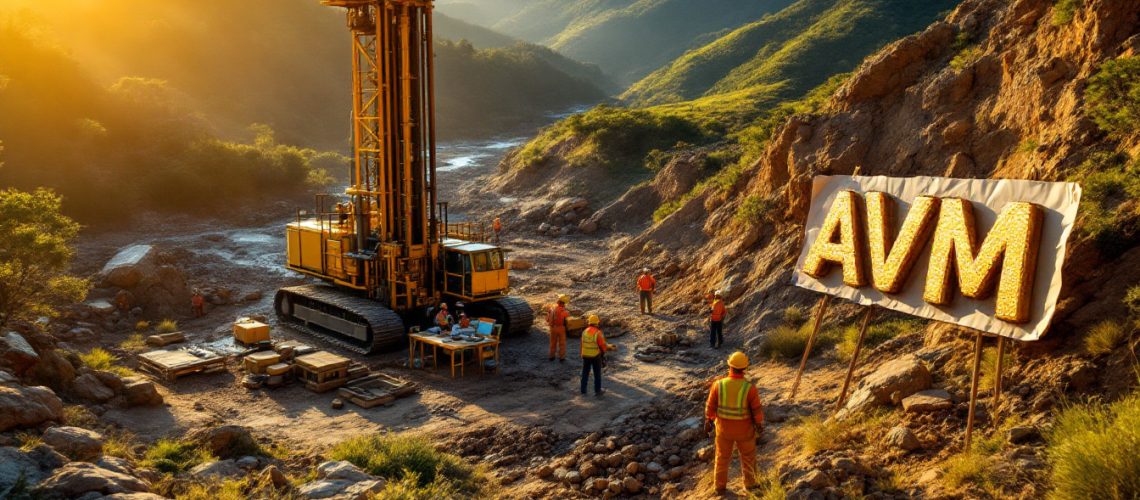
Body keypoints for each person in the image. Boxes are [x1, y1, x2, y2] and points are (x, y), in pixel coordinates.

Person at [705, 351, 764, 494]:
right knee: (748, 457)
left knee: (722, 457)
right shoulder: (749, 388)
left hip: (724, 430)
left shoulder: (718, 385)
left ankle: (719, 487)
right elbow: (756, 410)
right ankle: (750, 485)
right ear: (745, 369)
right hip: (745, 431)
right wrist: (759, 424)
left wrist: (709, 420)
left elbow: (710, 407)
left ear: (729, 366)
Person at [580, 314, 617, 396]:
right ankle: (597, 391)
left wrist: (582, 354)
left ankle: (583, 390)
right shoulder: (597, 332)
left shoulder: (584, 332)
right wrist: (606, 350)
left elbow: (582, 344)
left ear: (589, 322)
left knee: (585, 373)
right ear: (597, 323)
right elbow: (602, 345)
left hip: (585, 355)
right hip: (595, 356)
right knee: (597, 373)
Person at [547, 294, 570, 362]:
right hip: (560, 328)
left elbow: (547, 319)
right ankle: (562, 358)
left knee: (552, 343)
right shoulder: (562, 310)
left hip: (552, 328)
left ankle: (551, 356)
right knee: (562, 343)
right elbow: (567, 315)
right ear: (563, 303)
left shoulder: (551, 308)